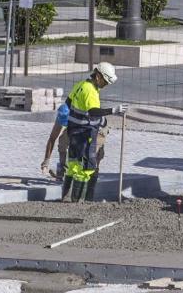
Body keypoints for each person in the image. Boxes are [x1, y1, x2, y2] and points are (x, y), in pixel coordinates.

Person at [62, 62, 123, 202]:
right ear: (98, 76)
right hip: (85, 134)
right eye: (105, 81)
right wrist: (113, 111)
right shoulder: (90, 90)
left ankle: (66, 198)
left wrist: (80, 117)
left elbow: (68, 102)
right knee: (86, 168)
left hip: (74, 132)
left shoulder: (81, 85)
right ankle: (79, 201)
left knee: (73, 166)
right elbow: (93, 111)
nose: (105, 85)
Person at [41, 101, 108, 181]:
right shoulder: (62, 115)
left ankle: (93, 172)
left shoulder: (83, 114)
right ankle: (62, 168)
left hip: (97, 128)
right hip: (76, 125)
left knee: (92, 153)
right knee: (63, 140)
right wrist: (46, 161)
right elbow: (52, 138)